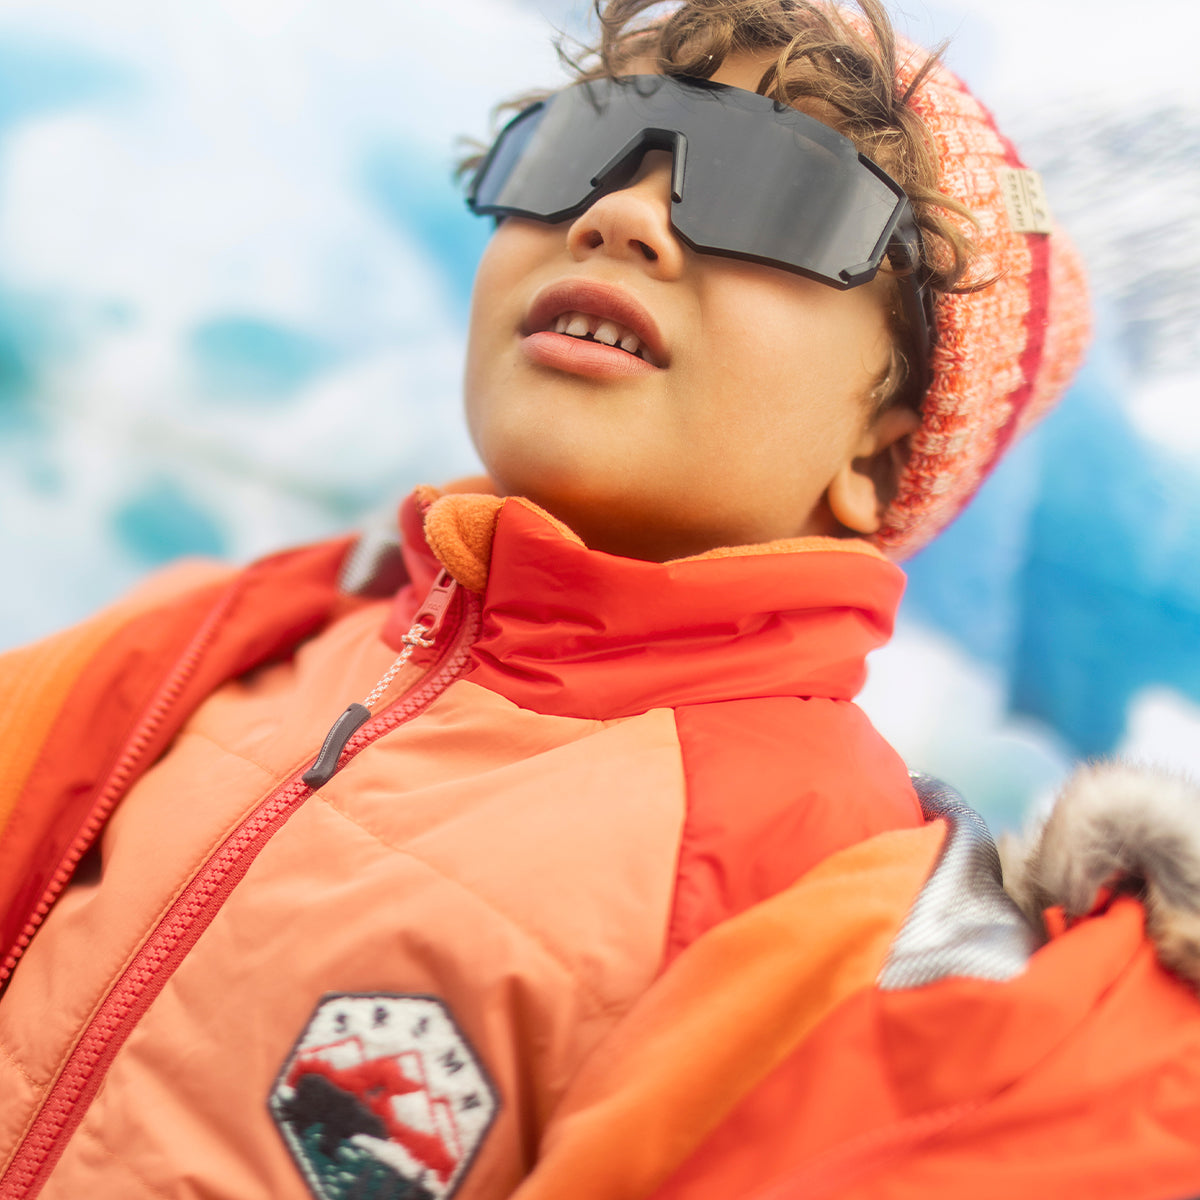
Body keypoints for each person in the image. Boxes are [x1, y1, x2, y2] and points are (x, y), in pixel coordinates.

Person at [0, 1, 1197, 1197]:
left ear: (882, 449)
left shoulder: (818, 896)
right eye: (584, 144)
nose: (620, 217)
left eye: (778, 188)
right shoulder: (231, 646)